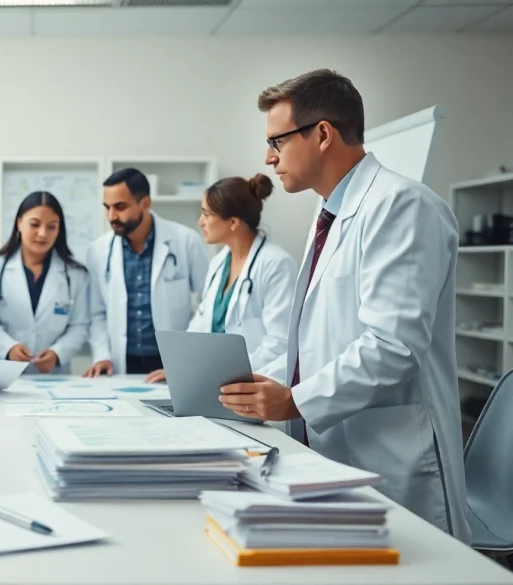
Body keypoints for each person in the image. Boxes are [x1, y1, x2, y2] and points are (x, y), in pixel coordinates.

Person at [219, 69, 471, 543]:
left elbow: (392, 347)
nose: (268, 158)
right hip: (332, 448)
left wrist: (295, 399)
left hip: (392, 456)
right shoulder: (330, 210)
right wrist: (267, 382)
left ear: (321, 135)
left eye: (276, 140)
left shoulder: (402, 206)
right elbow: (316, 332)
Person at [145, 174, 297, 383]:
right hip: (216, 384)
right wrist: (179, 367)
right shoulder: (218, 263)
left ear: (233, 222)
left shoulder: (276, 264)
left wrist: (232, 375)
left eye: (206, 215)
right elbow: (202, 322)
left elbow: (280, 341)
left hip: (256, 384)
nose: (201, 222)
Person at [83, 168, 209, 378]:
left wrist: (188, 356)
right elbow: (96, 314)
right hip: (120, 363)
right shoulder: (98, 250)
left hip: (172, 361)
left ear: (145, 203)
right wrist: (101, 355)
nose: (111, 216)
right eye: (107, 208)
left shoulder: (185, 240)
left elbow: (209, 302)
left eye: (120, 207)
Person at [0, 191, 89, 375]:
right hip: (5, 375)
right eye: (34, 224)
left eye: (52, 227)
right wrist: (8, 348)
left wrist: (57, 353)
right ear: (19, 223)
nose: (42, 234)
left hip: (56, 379)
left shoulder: (75, 273)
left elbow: (80, 326)